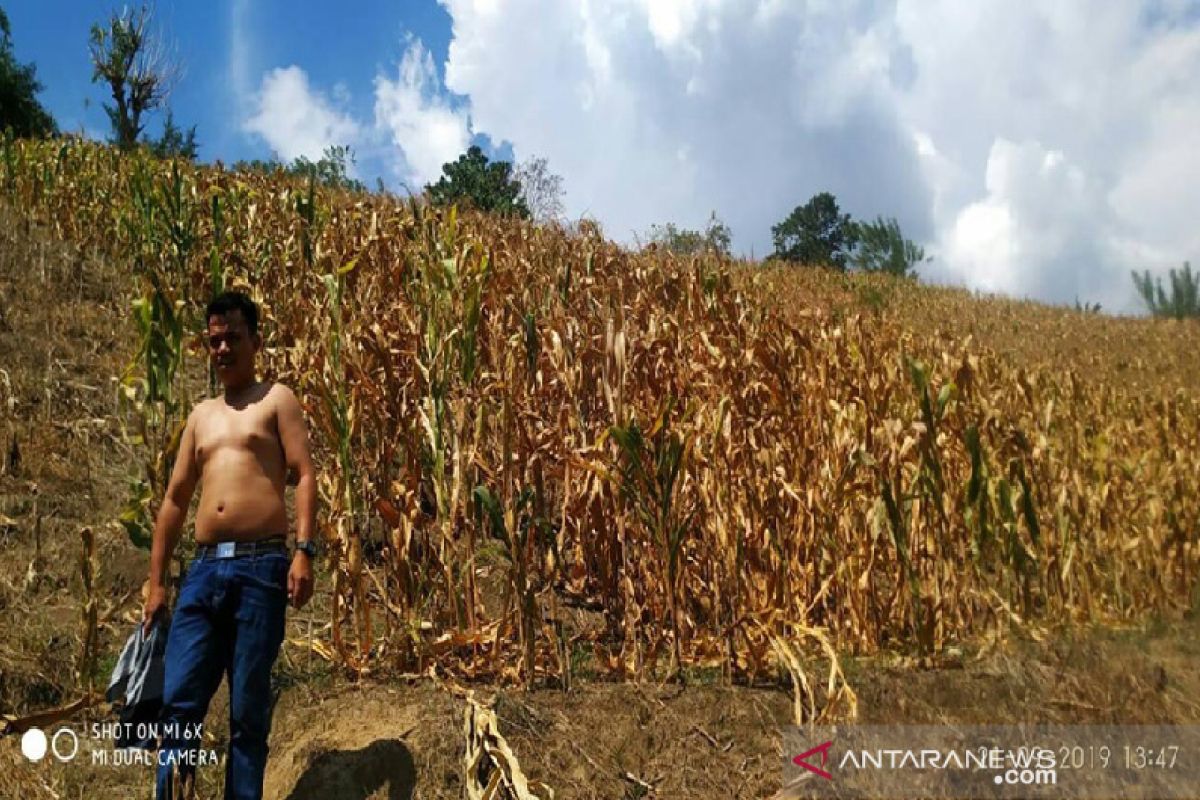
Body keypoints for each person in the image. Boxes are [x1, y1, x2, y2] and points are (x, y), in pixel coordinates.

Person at [141, 290, 317, 800]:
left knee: (247, 712)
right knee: (178, 703)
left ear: (255, 341)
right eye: (214, 341)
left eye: (232, 338)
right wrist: (157, 585)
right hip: (200, 573)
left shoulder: (277, 400)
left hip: (260, 568)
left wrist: (304, 550)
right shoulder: (201, 416)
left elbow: (304, 474)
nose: (222, 349)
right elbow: (174, 501)